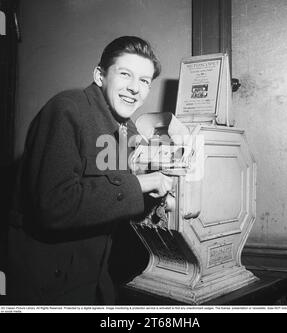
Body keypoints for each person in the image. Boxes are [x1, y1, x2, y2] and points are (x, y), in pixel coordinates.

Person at [8, 36, 173, 305]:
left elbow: (112, 198)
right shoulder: (66, 109)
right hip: (47, 283)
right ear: (100, 75)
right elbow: (54, 206)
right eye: (125, 74)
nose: (135, 88)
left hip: (95, 277)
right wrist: (142, 184)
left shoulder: (126, 128)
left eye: (144, 81)